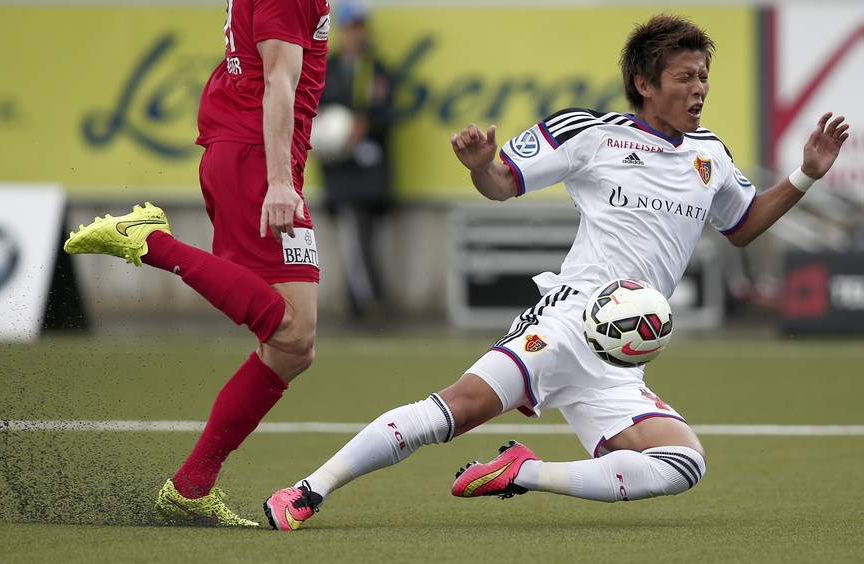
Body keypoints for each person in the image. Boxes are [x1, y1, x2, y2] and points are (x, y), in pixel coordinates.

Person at [264, 13, 849, 531]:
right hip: (569, 318)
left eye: (703, 78)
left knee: (682, 463)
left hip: (622, 355)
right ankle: (309, 490)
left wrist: (805, 176)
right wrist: (480, 165)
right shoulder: (590, 133)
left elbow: (742, 224)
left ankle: (525, 471)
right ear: (644, 85)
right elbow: (500, 185)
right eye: (684, 78)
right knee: (452, 412)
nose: (699, 89)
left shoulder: (711, 156)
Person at [64, 0, 331, 527]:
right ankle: (151, 242)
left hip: (250, 152)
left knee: (289, 350)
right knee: (294, 334)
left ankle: (191, 487)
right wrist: (279, 181)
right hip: (258, 159)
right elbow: (279, 77)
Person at [314, 1, 396, 324]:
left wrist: (364, 125)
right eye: (349, 27)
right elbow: (315, 115)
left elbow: (387, 115)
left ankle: (361, 302)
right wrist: (338, 131)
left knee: (364, 238)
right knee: (353, 235)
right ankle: (367, 302)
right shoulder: (326, 69)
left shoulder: (377, 70)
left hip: (372, 174)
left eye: (359, 26)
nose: (354, 33)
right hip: (340, 173)